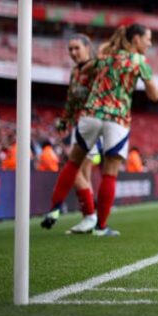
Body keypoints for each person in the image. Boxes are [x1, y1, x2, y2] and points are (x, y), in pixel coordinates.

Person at [41, 24, 158, 237]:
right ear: (135, 40)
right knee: (109, 172)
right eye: (147, 39)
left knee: (73, 162)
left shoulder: (106, 56)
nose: (149, 43)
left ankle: (54, 207)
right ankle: (101, 226)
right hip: (117, 118)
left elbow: (84, 69)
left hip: (91, 114)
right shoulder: (139, 61)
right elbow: (154, 95)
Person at [57, 34, 103, 234]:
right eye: (70, 49)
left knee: (74, 172)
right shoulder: (75, 73)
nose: (73, 53)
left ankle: (90, 217)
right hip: (79, 126)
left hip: (92, 126)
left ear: (88, 47)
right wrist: (65, 119)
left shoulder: (96, 68)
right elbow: (71, 100)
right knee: (83, 174)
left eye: (77, 48)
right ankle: (90, 218)